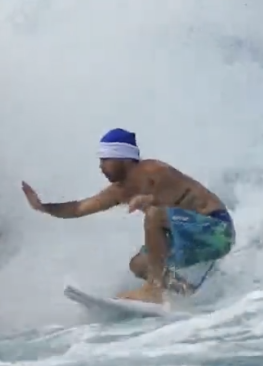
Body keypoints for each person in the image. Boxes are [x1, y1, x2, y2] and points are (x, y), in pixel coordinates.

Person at [21, 128, 235, 304]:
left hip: (216, 232)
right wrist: (43, 207)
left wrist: (149, 200)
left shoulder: (154, 169)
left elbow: (169, 197)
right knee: (140, 264)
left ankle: (154, 290)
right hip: (189, 241)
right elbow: (79, 208)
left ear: (122, 158)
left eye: (105, 160)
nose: (100, 167)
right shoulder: (120, 190)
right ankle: (187, 293)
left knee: (154, 215)